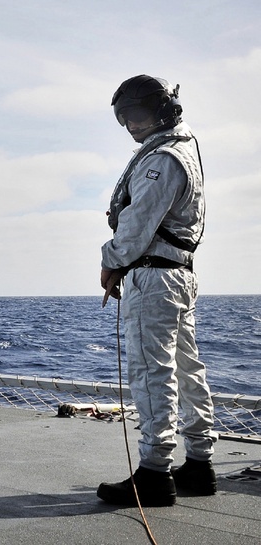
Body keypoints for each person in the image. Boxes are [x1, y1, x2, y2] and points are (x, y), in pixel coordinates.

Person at [97, 74, 217, 507]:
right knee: (187, 368)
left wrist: (111, 260)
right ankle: (200, 464)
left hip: (154, 278)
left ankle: (153, 473)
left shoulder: (162, 159)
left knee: (153, 372)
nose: (132, 126)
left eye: (138, 115)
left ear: (162, 110)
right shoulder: (185, 150)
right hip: (180, 276)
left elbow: (135, 226)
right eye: (126, 119)